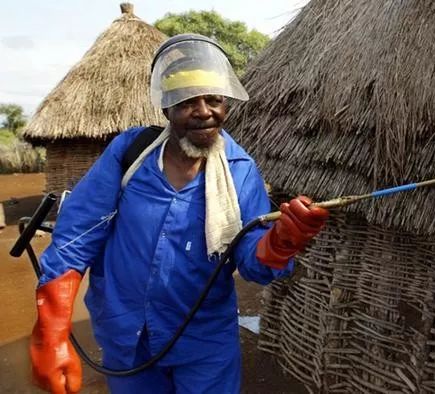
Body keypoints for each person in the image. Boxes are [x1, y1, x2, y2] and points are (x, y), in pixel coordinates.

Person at [29, 33, 329, 394]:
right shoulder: (130, 153)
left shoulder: (239, 170)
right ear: (166, 108)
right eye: (188, 100)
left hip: (203, 345)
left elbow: (251, 260)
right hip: (127, 338)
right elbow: (76, 237)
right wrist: (52, 329)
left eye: (214, 99)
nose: (204, 111)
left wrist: (282, 241)